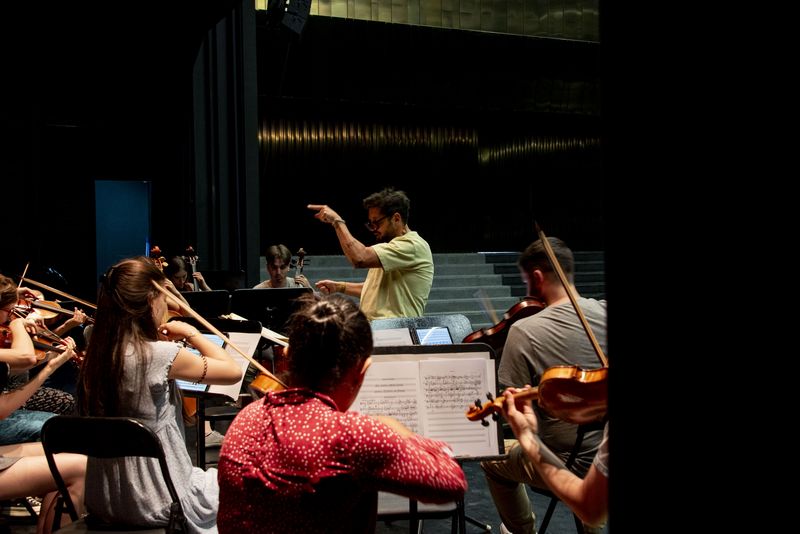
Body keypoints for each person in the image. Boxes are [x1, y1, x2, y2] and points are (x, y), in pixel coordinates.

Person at [216, 294, 467, 533]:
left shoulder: (246, 419)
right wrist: (399, 431)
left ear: (287, 355)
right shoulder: (353, 436)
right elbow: (451, 482)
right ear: (362, 371)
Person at [75, 257, 243, 533]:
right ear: (151, 299)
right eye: (162, 298)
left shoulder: (97, 354)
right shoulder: (160, 355)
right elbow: (232, 371)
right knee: (239, 484)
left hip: (104, 499)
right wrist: (190, 332)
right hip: (160, 497)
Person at [480, 237, 607, 534]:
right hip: (604, 456)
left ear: (536, 277)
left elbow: (511, 408)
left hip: (565, 462)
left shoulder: (524, 331)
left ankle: (521, 531)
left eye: (527, 281)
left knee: (491, 460)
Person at [1, 300, 86, 534]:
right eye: (9, 311)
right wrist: (19, 325)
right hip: (9, 415)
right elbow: (27, 358)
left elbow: (32, 357)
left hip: (9, 411)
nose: (13, 315)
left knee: (67, 441)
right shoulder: (13, 333)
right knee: (79, 465)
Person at [308, 187, 433, 321]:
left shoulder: (412, 245)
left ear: (396, 218)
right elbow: (373, 290)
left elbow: (359, 258)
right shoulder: (390, 248)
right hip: (381, 330)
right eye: (370, 223)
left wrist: (337, 221)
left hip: (398, 332)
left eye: (377, 222)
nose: (373, 229)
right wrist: (340, 286)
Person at [499, 387, 608, 528]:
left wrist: (527, 436)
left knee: (493, 461)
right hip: (596, 467)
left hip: (572, 464)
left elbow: (590, 508)